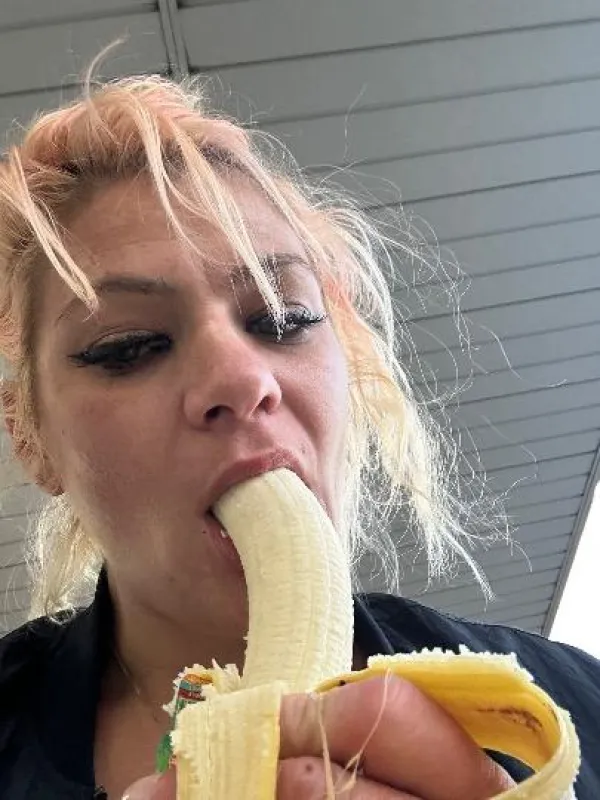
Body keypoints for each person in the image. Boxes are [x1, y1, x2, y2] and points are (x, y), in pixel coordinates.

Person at [0, 73, 597, 800]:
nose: (239, 377)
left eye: (283, 320)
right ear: (31, 438)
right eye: (129, 346)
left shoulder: (580, 700)